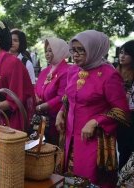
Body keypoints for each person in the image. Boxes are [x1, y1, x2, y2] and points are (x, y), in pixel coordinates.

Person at [55, 30, 130, 187]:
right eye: (73, 50)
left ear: (94, 49)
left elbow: (122, 111)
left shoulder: (109, 74)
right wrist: (61, 112)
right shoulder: (73, 70)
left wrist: (96, 121)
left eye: (81, 50)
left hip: (94, 141)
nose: (75, 55)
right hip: (70, 137)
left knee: (89, 180)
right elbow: (68, 97)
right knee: (68, 179)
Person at [34, 37, 70, 145]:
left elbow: (61, 97)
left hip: (56, 119)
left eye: (50, 51)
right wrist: (36, 97)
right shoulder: (45, 71)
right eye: (46, 51)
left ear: (59, 51)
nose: (47, 54)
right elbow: (36, 88)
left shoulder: (66, 71)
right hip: (41, 118)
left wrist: (41, 106)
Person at [116, 40, 134, 170]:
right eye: (121, 52)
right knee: (122, 148)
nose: (122, 56)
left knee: (128, 150)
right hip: (117, 116)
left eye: (126, 54)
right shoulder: (114, 72)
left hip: (132, 117)